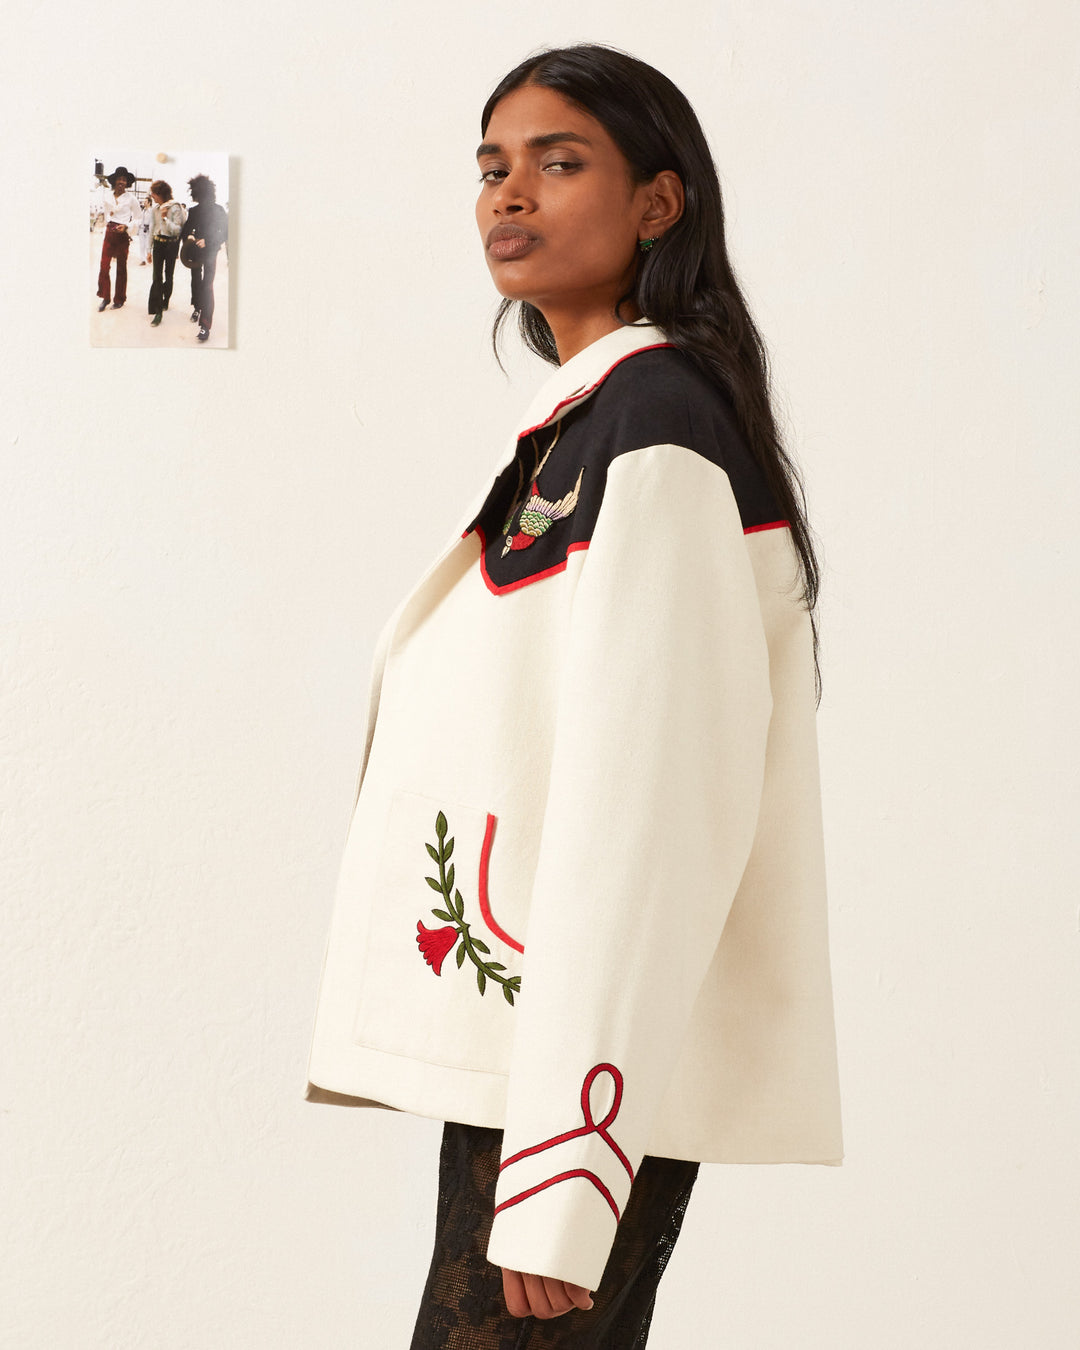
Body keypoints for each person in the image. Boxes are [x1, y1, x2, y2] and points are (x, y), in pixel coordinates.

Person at [304, 44, 842, 1348]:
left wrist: (564, 1164)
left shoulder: (652, 432)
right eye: (493, 167)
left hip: (573, 1082)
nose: (509, 195)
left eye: (558, 161)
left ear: (660, 203)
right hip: (538, 1058)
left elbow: (651, 814)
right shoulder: (590, 425)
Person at [180, 174, 227, 343]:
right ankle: (197, 307)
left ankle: (205, 325)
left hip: (211, 251)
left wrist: (207, 241)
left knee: (207, 285)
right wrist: (191, 238)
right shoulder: (194, 211)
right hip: (195, 253)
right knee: (195, 282)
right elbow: (185, 232)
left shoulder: (219, 210)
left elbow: (225, 233)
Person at [95, 166, 141, 310]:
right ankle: (105, 297)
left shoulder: (131, 199)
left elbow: (139, 218)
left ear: (127, 183)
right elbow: (106, 213)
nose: (121, 182)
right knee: (104, 266)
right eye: (119, 179)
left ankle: (119, 298)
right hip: (109, 233)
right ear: (114, 181)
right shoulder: (107, 196)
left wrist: (127, 226)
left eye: (124, 180)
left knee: (121, 267)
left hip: (122, 234)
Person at [146, 181, 185, 327]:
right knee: (156, 276)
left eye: (154, 194)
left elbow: (177, 230)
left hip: (171, 245)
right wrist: (148, 250)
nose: (152, 197)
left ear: (161, 193)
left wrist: (165, 218)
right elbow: (152, 229)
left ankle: (165, 300)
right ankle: (157, 312)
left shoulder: (175, 207)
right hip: (158, 244)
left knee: (169, 275)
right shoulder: (155, 208)